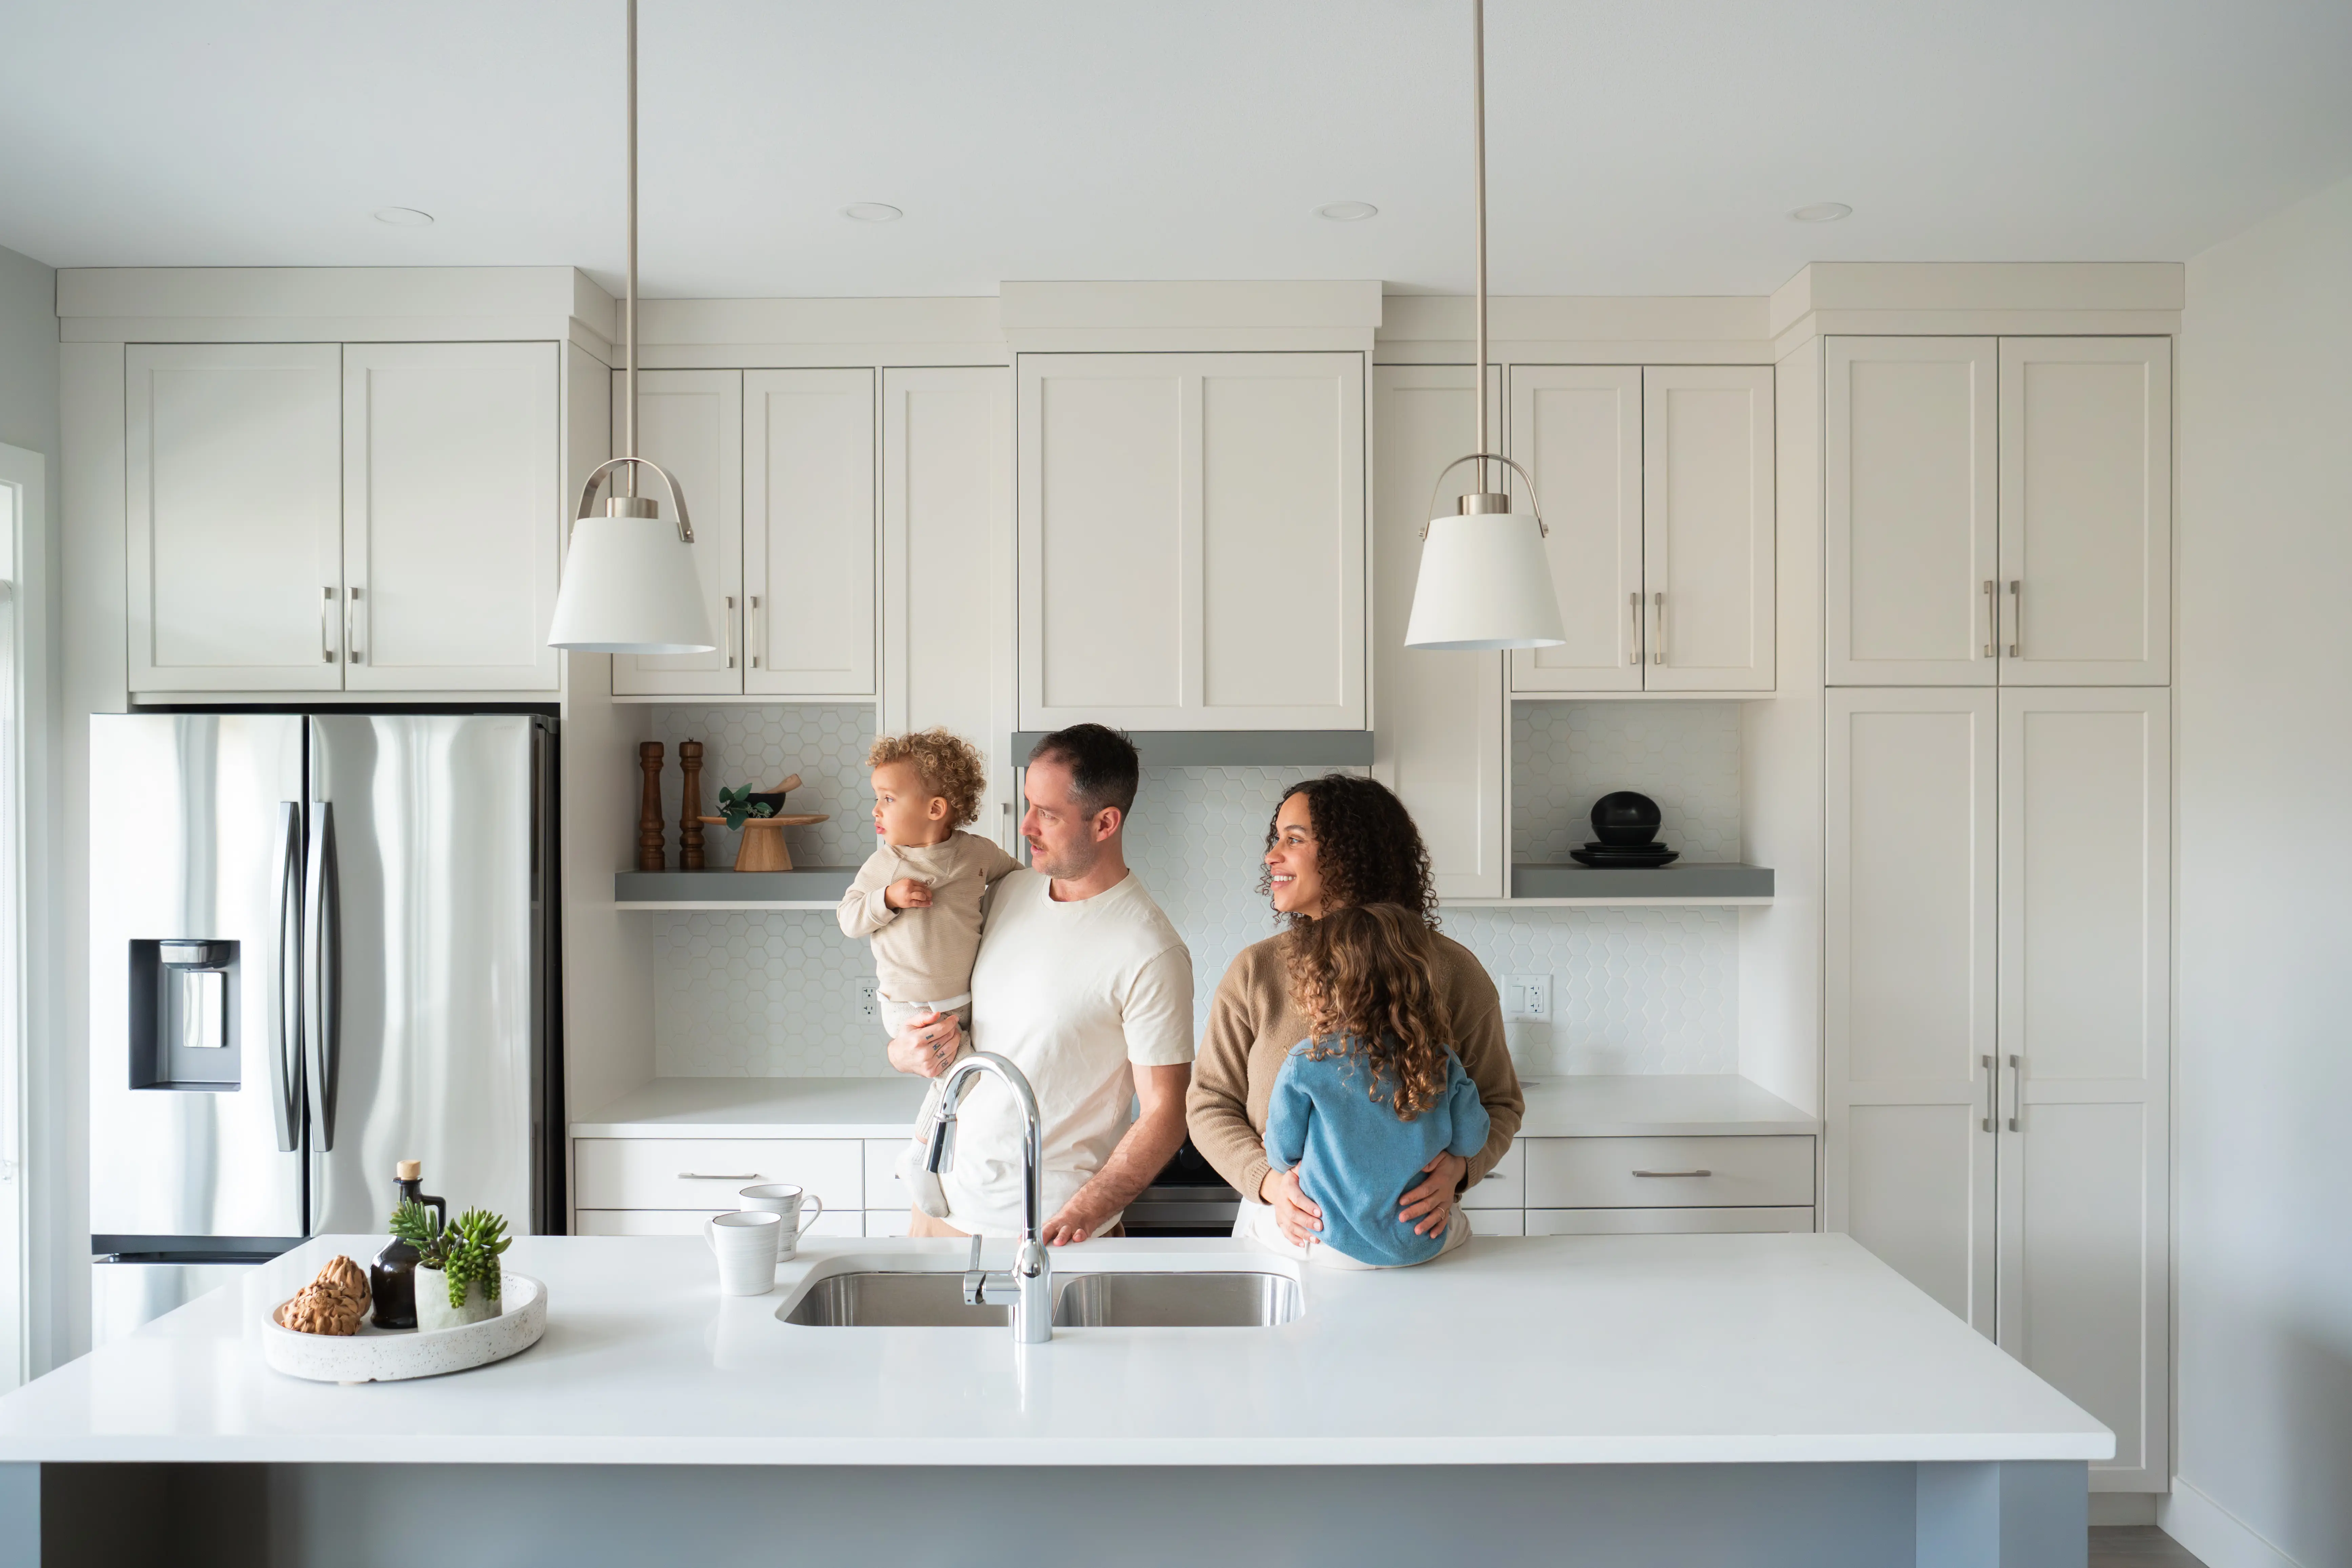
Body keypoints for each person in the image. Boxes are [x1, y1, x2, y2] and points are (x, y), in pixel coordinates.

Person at [886, 724, 1194, 1244]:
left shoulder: (1150, 950)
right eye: (1028, 804)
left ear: (1105, 823)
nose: (1026, 824)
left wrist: (1087, 1209)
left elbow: (1166, 1111)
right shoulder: (1007, 891)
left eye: (1047, 814)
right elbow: (946, 1014)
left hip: (1048, 1232)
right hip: (939, 1209)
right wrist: (905, 1050)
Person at [1189, 774, 1523, 1249]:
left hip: (1416, 1236)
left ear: (1349, 854)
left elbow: (1500, 1102)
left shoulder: (1451, 971)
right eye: (1276, 838)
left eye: (1294, 839)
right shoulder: (1256, 971)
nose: (1271, 855)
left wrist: (1460, 1169)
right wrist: (1269, 1183)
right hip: (1283, 1232)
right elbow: (1209, 1102)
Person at [836, 729, 1021, 1218]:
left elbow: (1020, 878)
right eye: (877, 798)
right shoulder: (885, 865)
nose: (876, 810)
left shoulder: (976, 854)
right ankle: (922, 1156)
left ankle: (929, 1158)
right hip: (909, 1003)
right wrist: (888, 899)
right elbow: (848, 917)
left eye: (888, 798)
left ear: (936, 809)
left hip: (962, 999)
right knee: (961, 1079)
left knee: (961, 1079)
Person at [1249, 902, 1491, 1268]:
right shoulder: (1441, 1060)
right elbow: (1472, 1140)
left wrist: (1274, 1147)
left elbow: (1282, 1156)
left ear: (1322, 986)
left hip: (1327, 1238)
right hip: (1420, 1241)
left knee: (1254, 1227)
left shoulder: (1306, 1061)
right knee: (1464, 1230)